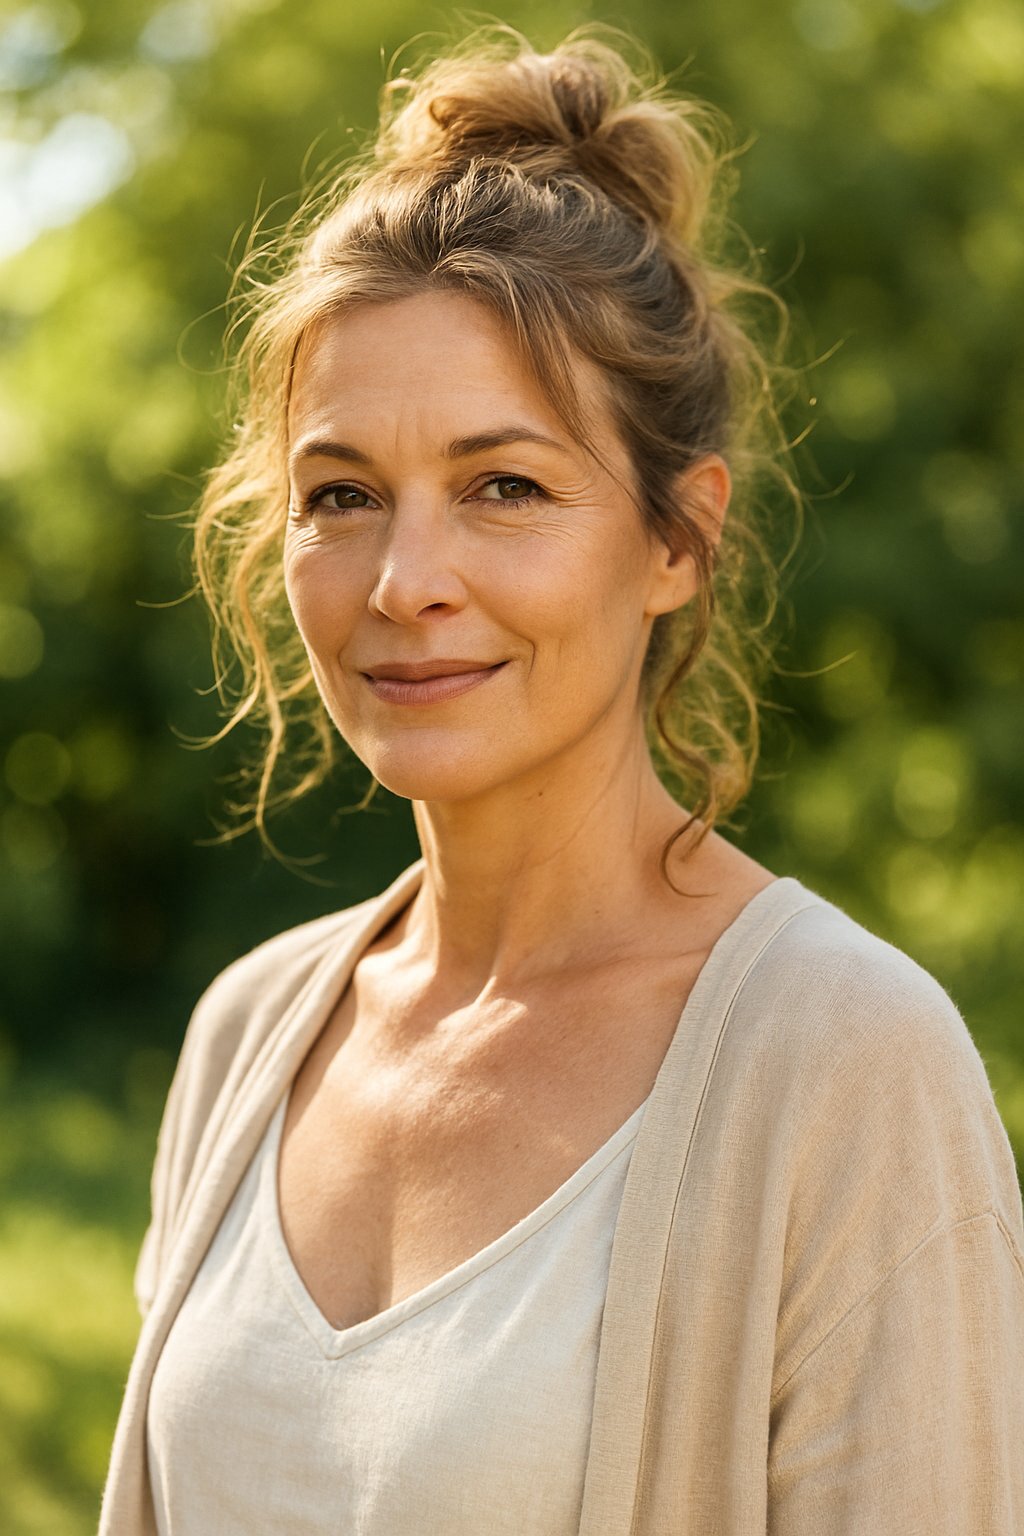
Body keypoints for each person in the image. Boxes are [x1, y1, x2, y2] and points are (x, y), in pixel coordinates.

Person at [100, 27, 1024, 1535]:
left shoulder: (848, 1063)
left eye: (505, 487)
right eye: (343, 494)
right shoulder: (250, 1035)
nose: (405, 581)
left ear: (679, 539)